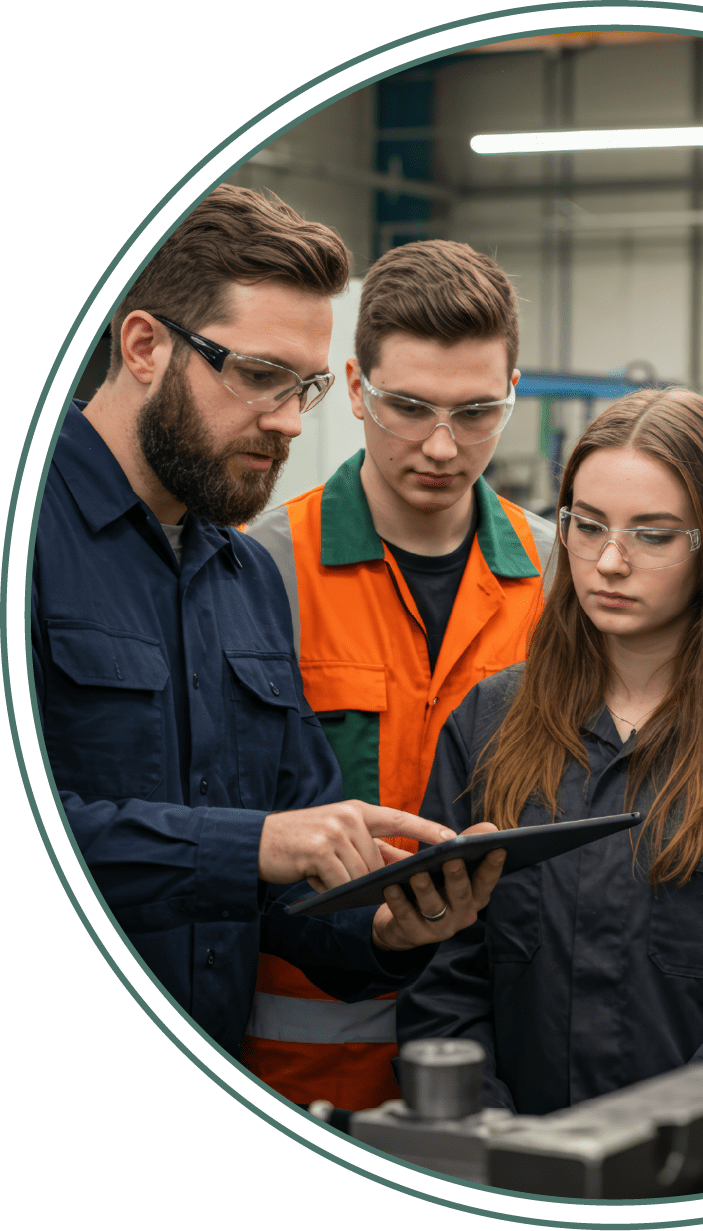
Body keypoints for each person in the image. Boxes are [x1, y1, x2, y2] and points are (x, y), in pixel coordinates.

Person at [33, 185, 503, 1060]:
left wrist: (389, 929)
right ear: (143, 345)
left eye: (307, 386)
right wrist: (249, 845)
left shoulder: (244, 573)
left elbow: (291, 868)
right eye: (258, 375)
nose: (290, 419)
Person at [397, 388, 703, 1115]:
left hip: (697, 1173)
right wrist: (492, 1136)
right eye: (587, 525)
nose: (609, 561)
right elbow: (443, 976)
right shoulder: (489, 723)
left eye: (652, 533)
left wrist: (643, 1148)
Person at [244, 240, 554, 1110]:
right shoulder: (260, 570)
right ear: (352, 387)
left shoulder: (559, 575)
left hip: (504, 1043)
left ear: (513, 395)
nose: (444, 446)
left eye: (478, 411)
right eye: (409, 407)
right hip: (306, 1061)